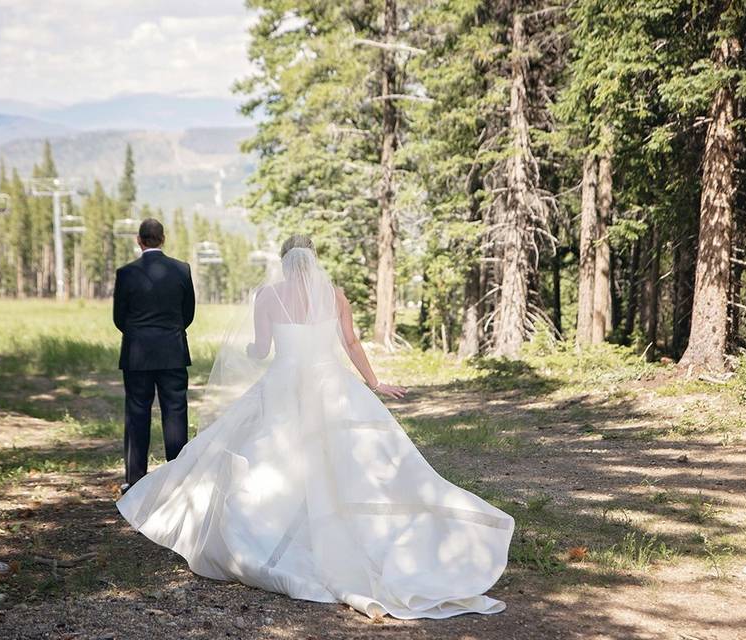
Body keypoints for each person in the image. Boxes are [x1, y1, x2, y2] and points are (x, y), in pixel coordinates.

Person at [117, 234, 513, 619]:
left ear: (284, 261)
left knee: (272, 459)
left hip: (283, 384)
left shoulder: (268, 296)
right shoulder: (335, 295)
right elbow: (352, 343)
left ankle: (270, 534)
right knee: (347, 462)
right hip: (332, 385)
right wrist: (374, 384)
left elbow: (262, 348)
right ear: (314, 258)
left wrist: (248, 351)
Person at [112, 218, 195, 494]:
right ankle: (177, 478)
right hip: (172, 350)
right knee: (175, 413)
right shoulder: (182, 270)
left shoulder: (126, 273)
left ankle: (135, 481)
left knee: (137, 414)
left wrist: (138, 334)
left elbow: (119, 318)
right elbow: (188, 314)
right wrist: (169, 331)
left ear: (139, 239)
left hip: (137, 354)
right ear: (163, 238)